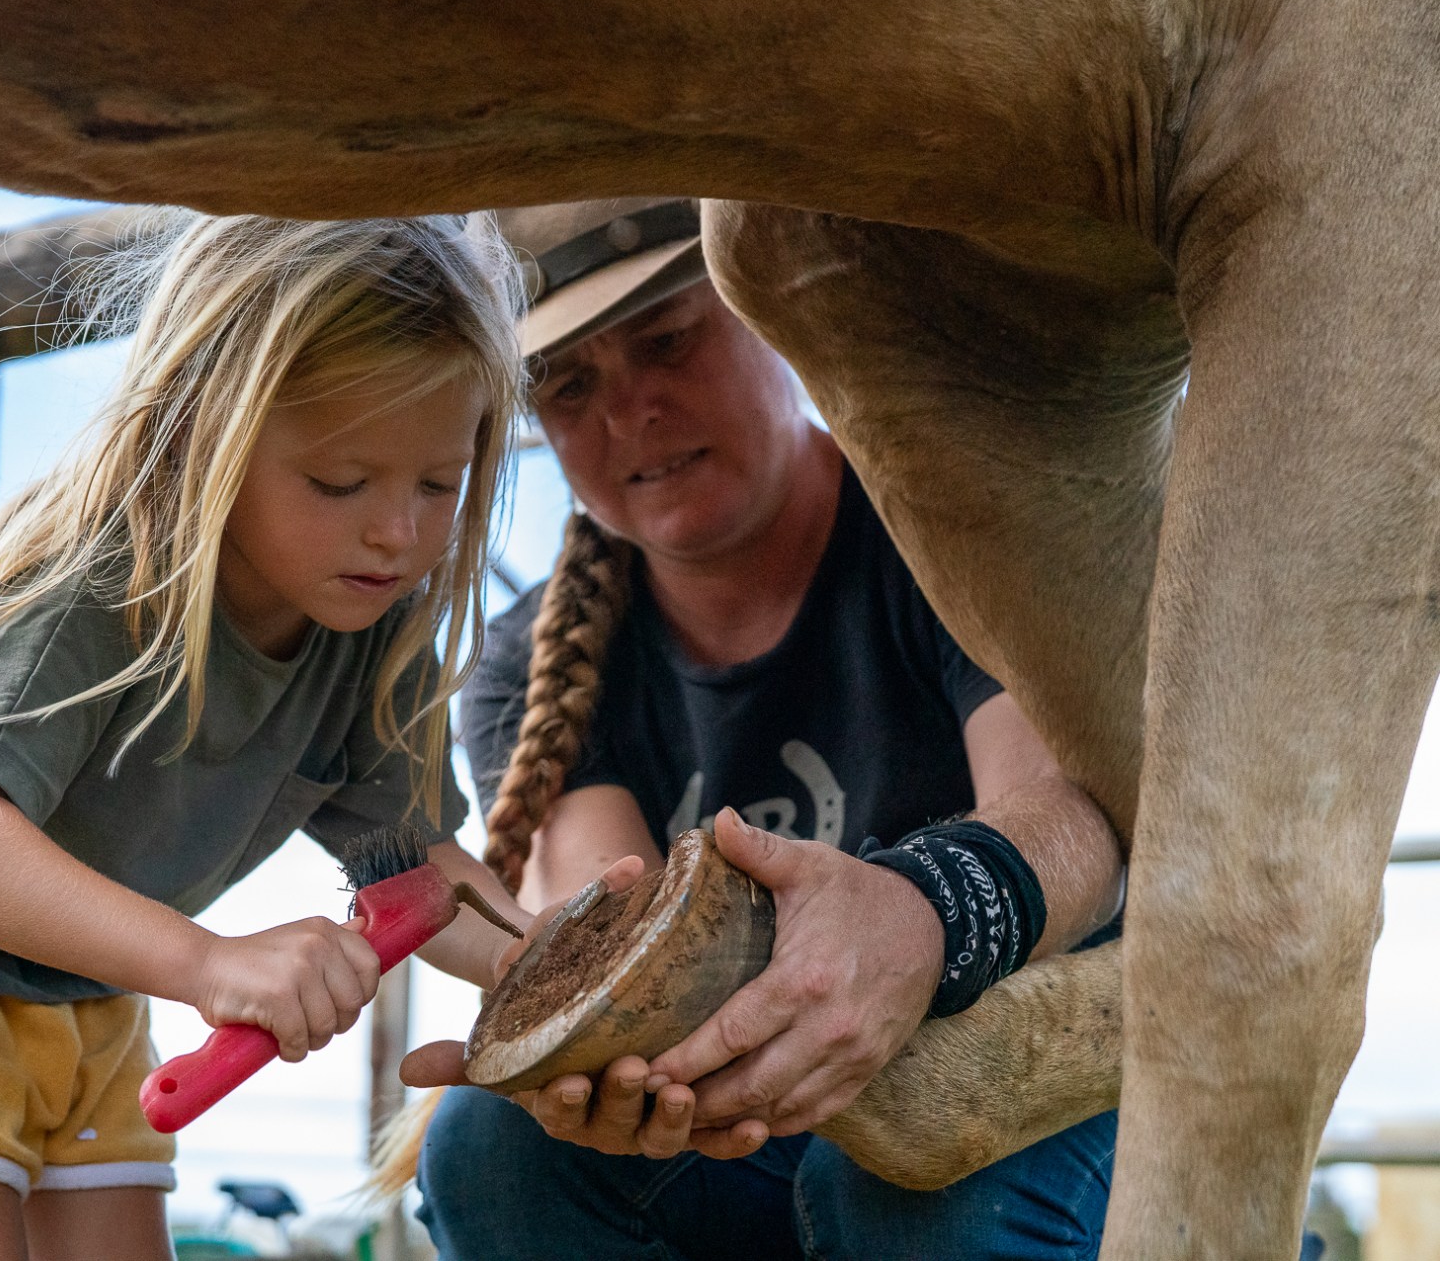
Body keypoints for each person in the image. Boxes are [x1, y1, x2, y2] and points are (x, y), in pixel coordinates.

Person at [0, 212, 540, 1261]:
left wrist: (569, 976)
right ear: (208, 431)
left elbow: (421, 876)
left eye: (441, 483)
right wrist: (209, 964)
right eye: (341, 483)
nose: (401, 532)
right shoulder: (90, 583)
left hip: (82, 971)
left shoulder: (369, 632)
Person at [407, 198, 1130, 1261]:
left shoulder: (950, 527)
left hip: (1053, 1033)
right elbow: (614, 911)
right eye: (568, 385)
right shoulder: (525, 661)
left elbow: (1076, 830)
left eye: (667, 339)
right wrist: (595, 1051)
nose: (632, 411)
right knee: (488, 1150)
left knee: (908, 1187)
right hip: (771, 1091)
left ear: (774, 318)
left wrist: (921, 914)